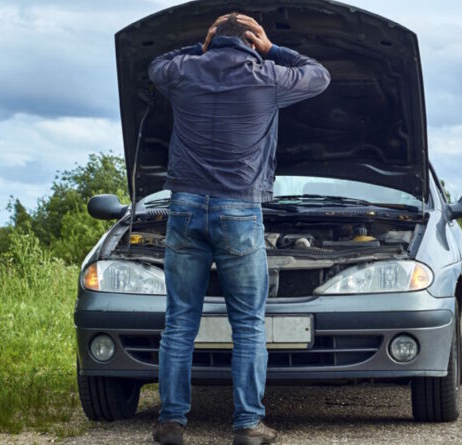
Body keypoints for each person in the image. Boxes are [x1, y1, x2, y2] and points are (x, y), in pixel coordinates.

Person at [147, 13, 330, 445]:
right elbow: (319, 75)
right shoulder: (268, 76)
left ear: (213, 38)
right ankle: (248, 424)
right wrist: (272, 49)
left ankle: (172, 422)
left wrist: (200, 46)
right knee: (247, 323)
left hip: (185, 207)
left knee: (179, 322)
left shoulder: (184, 70)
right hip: (240, 211)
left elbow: (156, 64)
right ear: (251, 41)